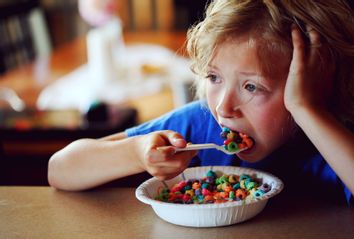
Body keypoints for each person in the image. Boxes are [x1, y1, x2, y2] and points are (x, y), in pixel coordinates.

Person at [48, 0, 354, 204]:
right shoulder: (199, 125)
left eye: (251, 86)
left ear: (314, 83)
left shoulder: (334, 138)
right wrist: (138, 153)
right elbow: (60, 169)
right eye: (214, 78)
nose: (223, 107)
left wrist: (307, 110)